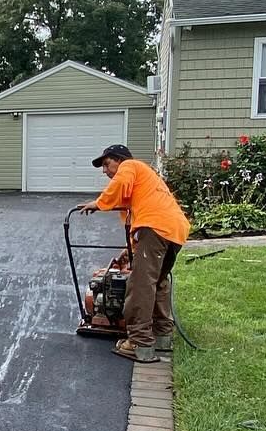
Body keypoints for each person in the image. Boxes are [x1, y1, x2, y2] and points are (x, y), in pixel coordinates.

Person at [80, 143, 190, 363]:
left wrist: (98, 203)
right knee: (158, 281)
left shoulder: (130, 166)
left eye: (106, 164)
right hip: (174, 229)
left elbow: (122, 187)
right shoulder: (144, 181)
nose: (105, 171)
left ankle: (139, 342)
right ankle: (162, 335)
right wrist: (129, 250)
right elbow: (142, 219)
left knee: (140, 283)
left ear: (119, 159)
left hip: (157, 228)